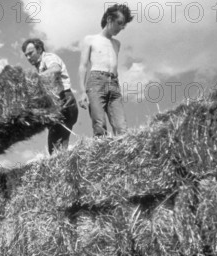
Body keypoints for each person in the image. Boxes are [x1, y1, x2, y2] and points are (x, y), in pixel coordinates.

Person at [78, 3, 133, 137]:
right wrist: (82, 91)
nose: (121, 28)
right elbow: (83, 65)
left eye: (123, 25)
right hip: (96, 81)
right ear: (109, 19)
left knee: (122, 127)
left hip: (113, 83)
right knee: (99, 125)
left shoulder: (116, 43)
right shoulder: (90, 39)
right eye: (119, 23)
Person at [22, 38, 79, 154]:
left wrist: (34, 79)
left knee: (55, 147)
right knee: (57, 147)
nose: (28, 58)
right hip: (57, 104)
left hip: (64, 101)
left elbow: (56, 69)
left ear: (39, 49)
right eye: (26, 55)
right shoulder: (39, 66)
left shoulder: (48, 57)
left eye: (30, 53)